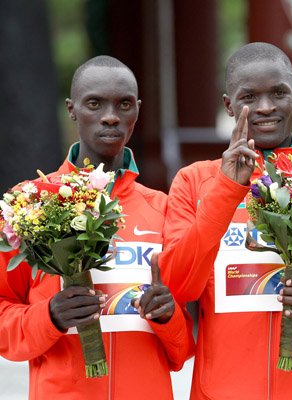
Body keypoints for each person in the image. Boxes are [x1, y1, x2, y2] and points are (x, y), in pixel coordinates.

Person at [159, 42, 292, 399]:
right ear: (228, 104)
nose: (265, 107)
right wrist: (228, 188)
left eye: (278, 93)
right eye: (248, 97)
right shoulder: (194, 181)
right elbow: (178, 286)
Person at [0, 56, 194, 399]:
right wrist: (50, 317)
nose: (110, 116)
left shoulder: (163, 209)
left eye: (124, 104)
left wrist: (168, 317)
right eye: (95, 103)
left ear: (137, 110)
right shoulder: (27, 204)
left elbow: (182, 351)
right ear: (72, 109)